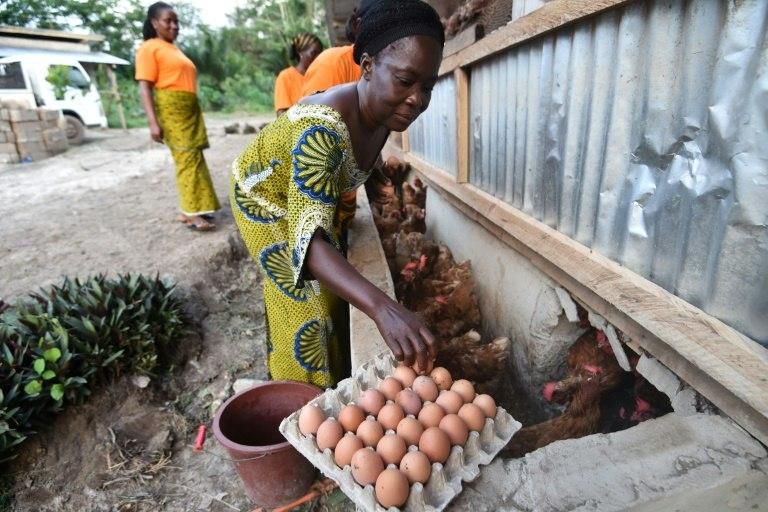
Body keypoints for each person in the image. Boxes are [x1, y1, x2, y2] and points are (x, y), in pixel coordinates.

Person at [230, 0, 445, 388]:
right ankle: (298, 406)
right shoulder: (322, 130)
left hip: (302, 196)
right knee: (304, 314)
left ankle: (336, 378)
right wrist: (384, 308)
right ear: (366, 66)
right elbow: (308, 244)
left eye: (427, 86)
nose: (417, 99)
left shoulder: (382, 114)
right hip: (263, 200)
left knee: (335, 292)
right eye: (405, 80)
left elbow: (337, 187)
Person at [136, 1, 220, 232]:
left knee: (195, 158)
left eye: (176, 21)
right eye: (168, 21)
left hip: (188, 109)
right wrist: (153, 122)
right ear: (155, 23)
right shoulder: (149, 48)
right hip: (171, 109)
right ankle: (192, 214)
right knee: (186, 159)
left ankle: (192, 209)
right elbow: (145, 86)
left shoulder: (172, 48)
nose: (174, 26)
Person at [274, 33, 324, 116]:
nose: (318, 57)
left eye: (320, 53)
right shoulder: (285, 77)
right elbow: (281, 114)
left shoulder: (321, 75)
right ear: (300, 52)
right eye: (314, 53)